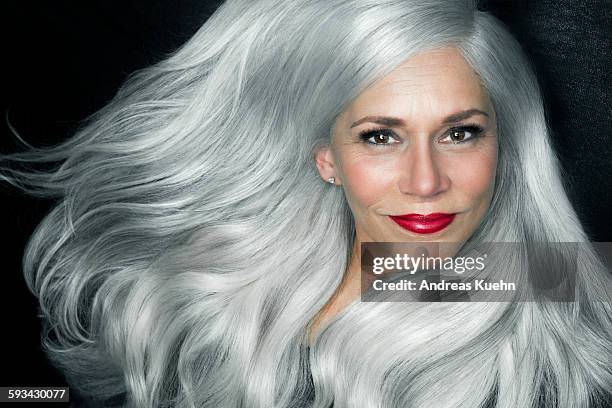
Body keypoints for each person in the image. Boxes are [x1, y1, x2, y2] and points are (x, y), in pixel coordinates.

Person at [1, 0, 611, 407]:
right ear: (326, 158)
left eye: (461, 133)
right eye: (380, 136)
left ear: (505, 145)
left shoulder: (532, 282)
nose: (426, 182)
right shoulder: (227, 288)